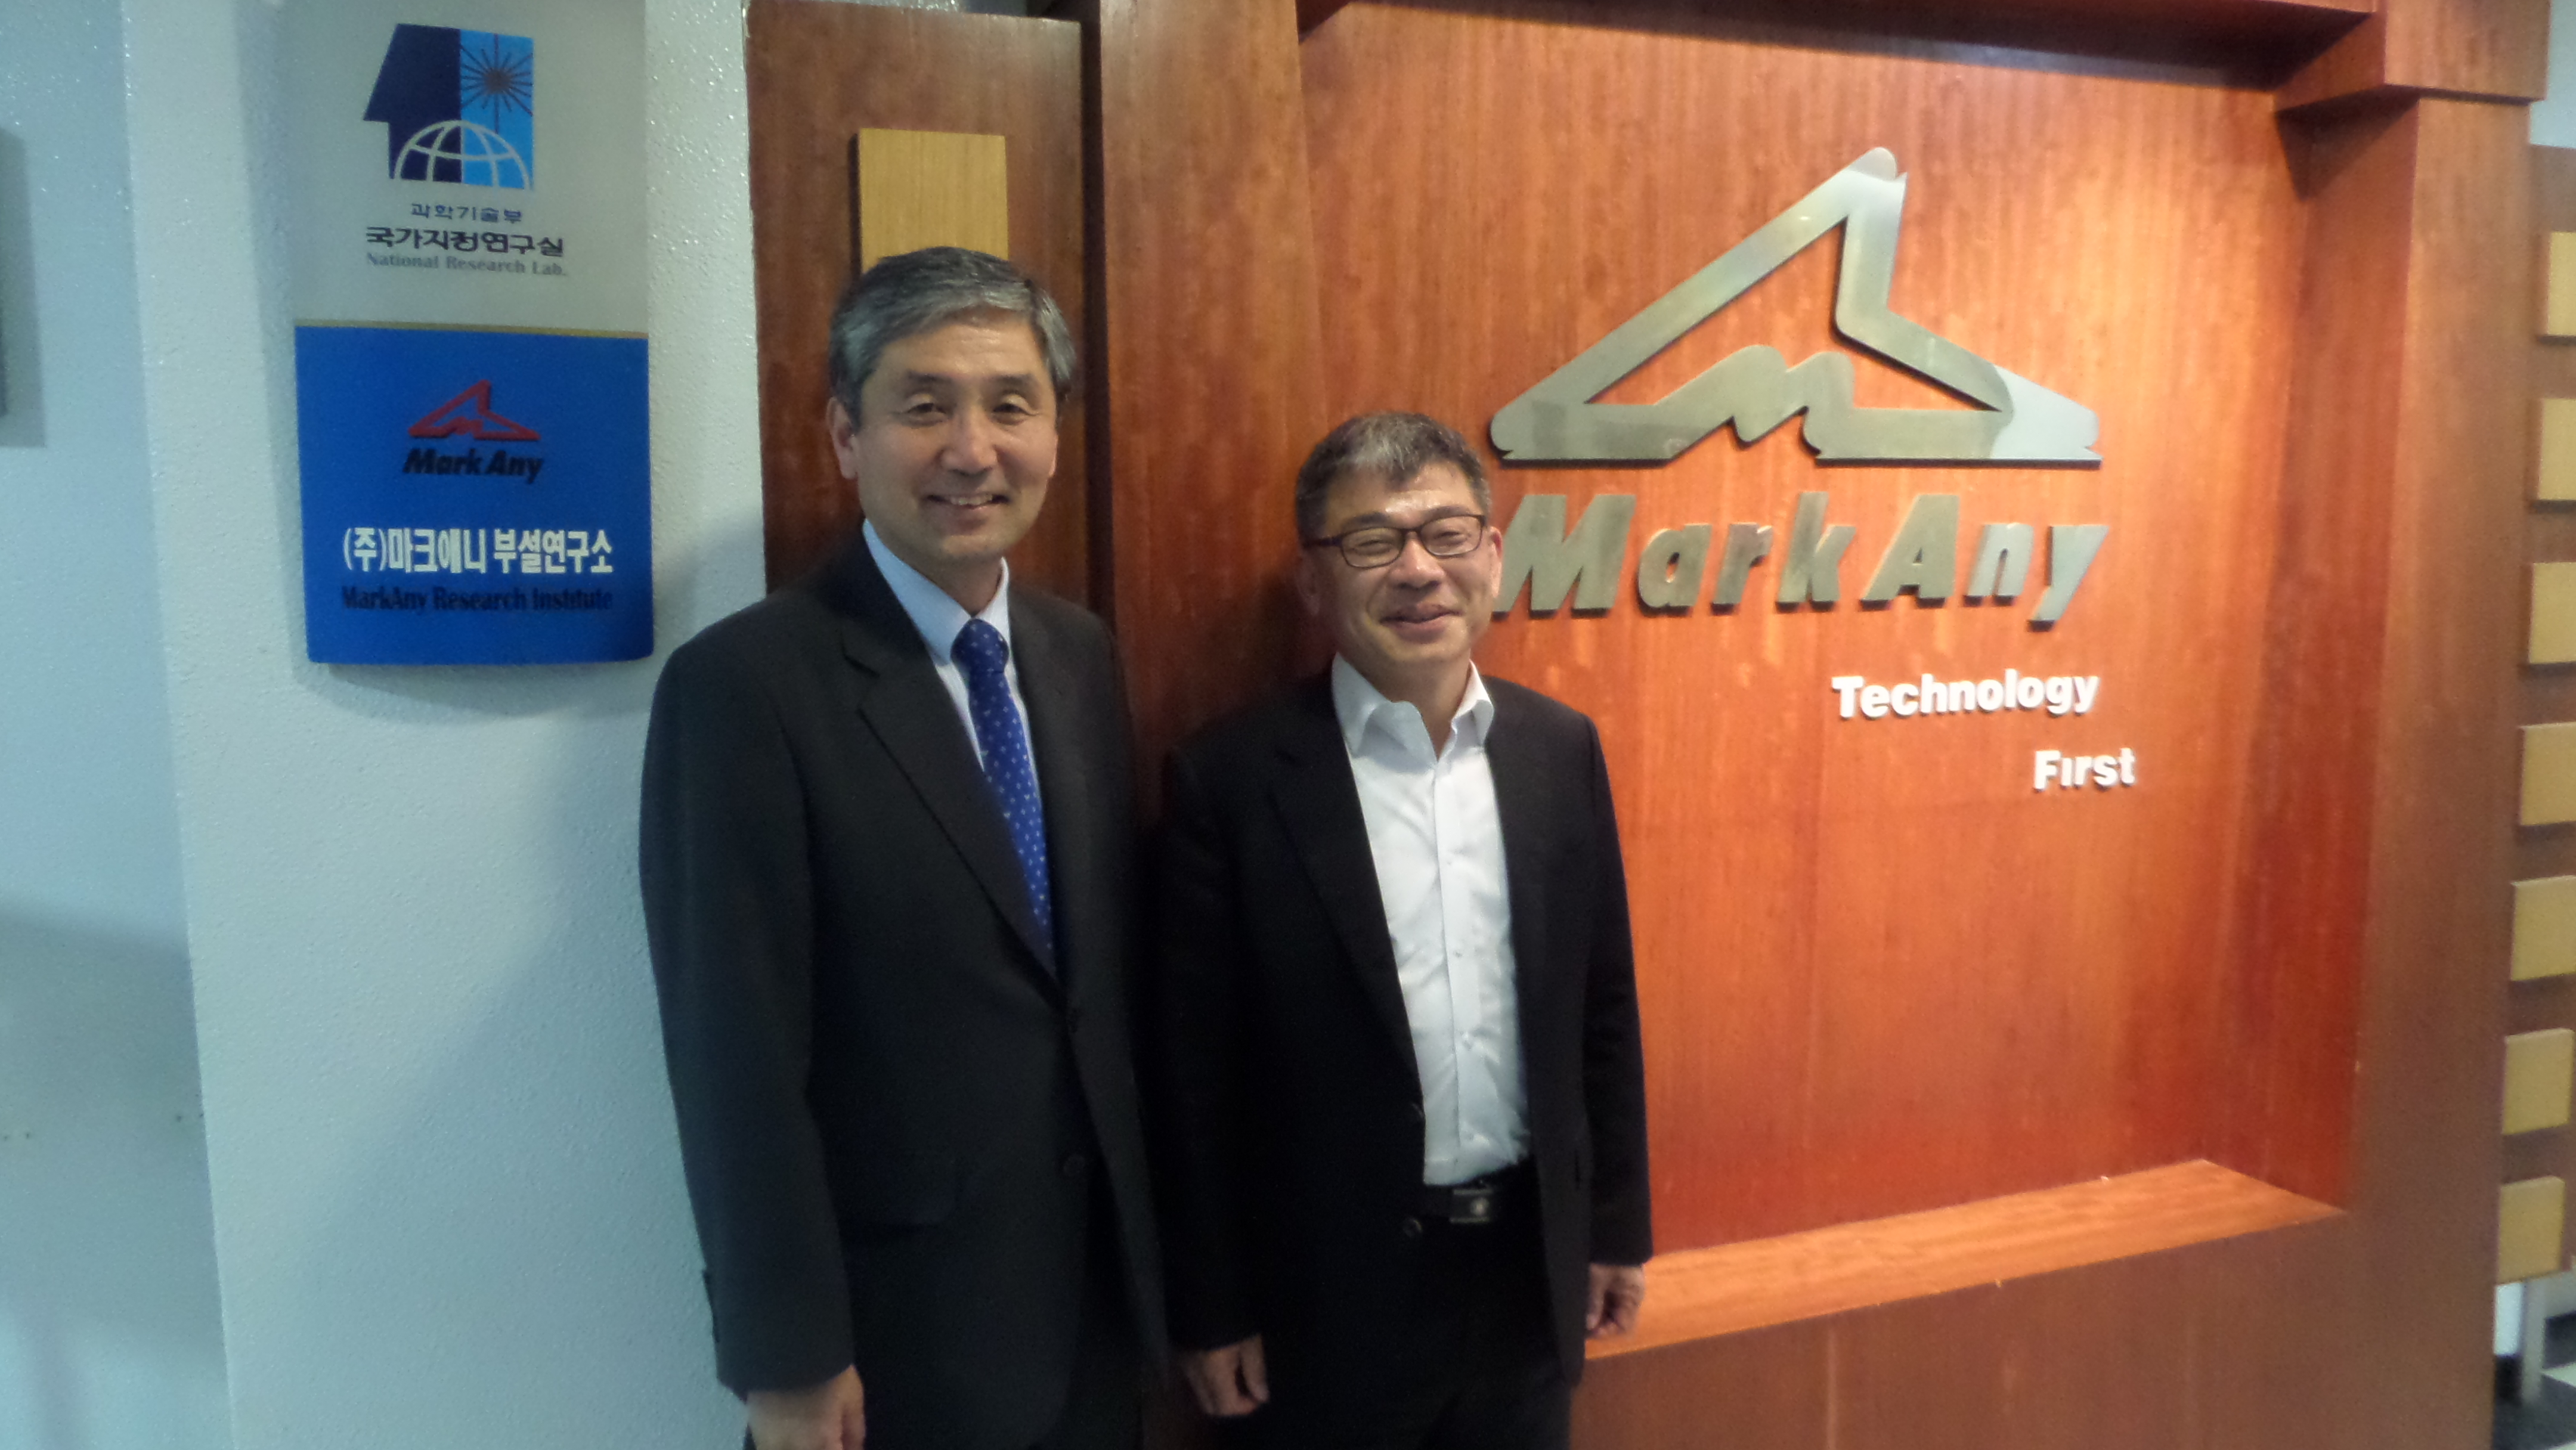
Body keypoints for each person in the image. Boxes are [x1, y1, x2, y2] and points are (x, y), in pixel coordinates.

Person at [640, 247, 1159, 1450]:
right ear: (845, 434)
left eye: (1010, 406)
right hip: (889, 1345)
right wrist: (785, 1357)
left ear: (1054, 435)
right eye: (925, 407)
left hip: (1091, 1318)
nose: (972, 450)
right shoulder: (746, 688)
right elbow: (733, 1056)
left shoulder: (1078, 655)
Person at [1147, 411, 1652, 1449]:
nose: (1419, 570)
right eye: (1373, 542)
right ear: (1313, 582)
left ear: (1493, 556)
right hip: (1324, 1304)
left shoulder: (1559, 751)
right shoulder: (1231, 780)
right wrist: (1213, 1304)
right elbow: (1192, 1077)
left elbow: (1602, 1007)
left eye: (1447, 534)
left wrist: (1614, 1229)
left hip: (1524, 1280)